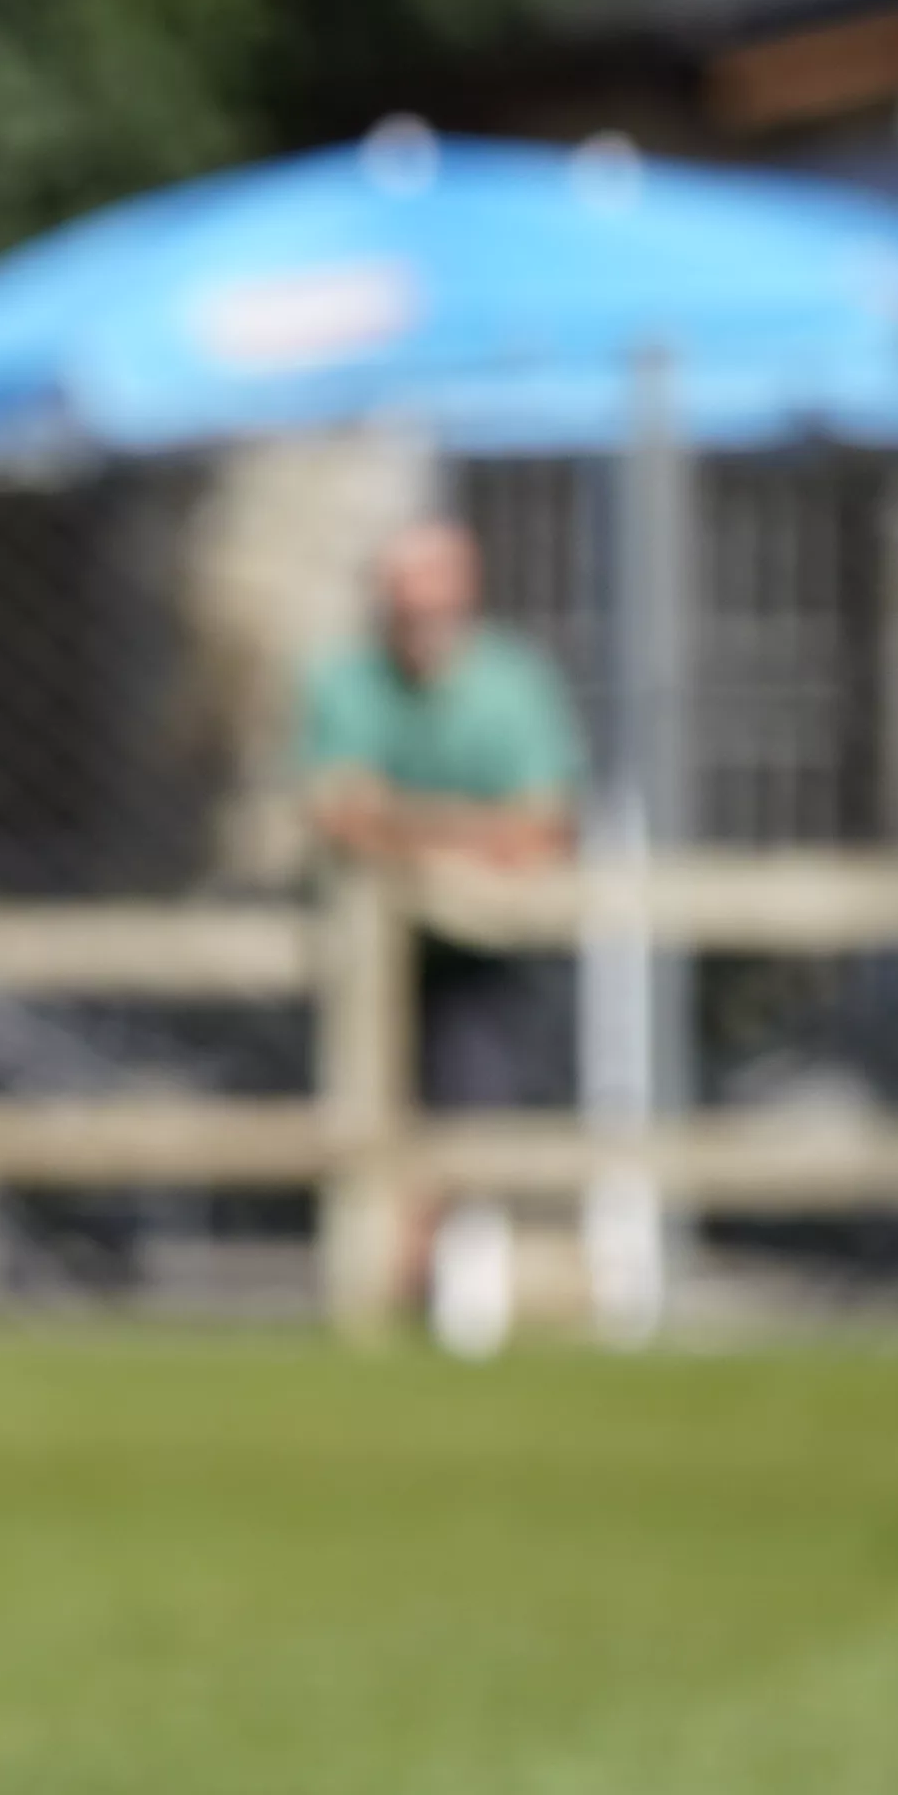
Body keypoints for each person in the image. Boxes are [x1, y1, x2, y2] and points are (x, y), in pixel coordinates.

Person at [295, 507, 580, 1354]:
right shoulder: (344, 682)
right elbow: (337, 813)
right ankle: (381, 1272)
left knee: (470, 1099)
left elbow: (540, 829)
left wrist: (407, 831)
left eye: (435, 595)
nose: (420, 615)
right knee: (357, 1108)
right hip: (357, 952)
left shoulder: (513, 683)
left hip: (479, 946)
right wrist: (469, 834)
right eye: (402, 596)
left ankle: (436, 1276)